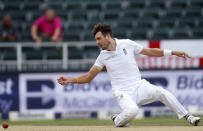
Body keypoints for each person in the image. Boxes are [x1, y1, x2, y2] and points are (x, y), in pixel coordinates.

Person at [57, 23, 201, 127]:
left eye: (99, 38)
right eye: (96, 39)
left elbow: (150, 51)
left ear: (107, 36)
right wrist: (70, 80)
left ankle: (188, 116)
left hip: (139, 85)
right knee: (132, 111)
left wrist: (173, 53)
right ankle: (118, 119)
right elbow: (89, 77)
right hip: (122, 92)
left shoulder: (127, 43)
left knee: (161, 92)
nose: (97, 42)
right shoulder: (102, 57)